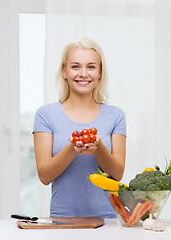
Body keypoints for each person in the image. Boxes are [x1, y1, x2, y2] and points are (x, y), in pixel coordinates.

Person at [32, 38, 126, 218]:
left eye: (91, 67)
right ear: (64, 71)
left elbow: (117, 173)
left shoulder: (116, 115)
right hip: (62, 221)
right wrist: (72, 148)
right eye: (75, 66)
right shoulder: (46, 114)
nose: (83, 73)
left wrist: (98, 148)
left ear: (100, 72)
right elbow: (44, 176)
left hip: (108, 220)